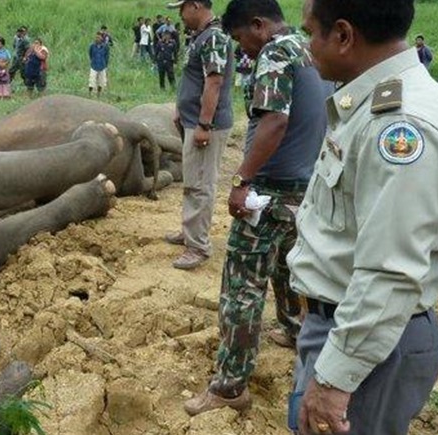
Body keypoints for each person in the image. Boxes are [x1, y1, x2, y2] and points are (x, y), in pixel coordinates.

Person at [289, 1, 438, 434]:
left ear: (344, 35)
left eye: (311, 32)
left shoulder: (401, 125)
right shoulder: (372, 102)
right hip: (349, 332)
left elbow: (389, 271)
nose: (308, 47)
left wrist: (333, 379)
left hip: (370, 345)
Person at [182, 0, 332, 416]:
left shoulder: (274, 53)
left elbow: (274, 121)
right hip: (303, 189)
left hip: (267, 193)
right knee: (290, 269)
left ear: (258, 25)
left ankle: (230, 387)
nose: (241, 49)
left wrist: (241, 179)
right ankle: (293, 329)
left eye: (240, 39)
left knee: (242, 290)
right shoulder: (308, 50)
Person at [163, 0, 234, 271]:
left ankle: (198, 246)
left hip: (207, 125)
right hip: (194, 120)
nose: (180, 16)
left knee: (201, 184)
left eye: (181, 10)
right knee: (193, 179)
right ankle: (190, 232)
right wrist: (183, 111)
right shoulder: (201, 36)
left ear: (194, 5)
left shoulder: (213, 37)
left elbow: (214, 82)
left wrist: (205, 123)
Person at [88, 31, 110, 98]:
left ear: (102, 38)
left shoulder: (105, 47)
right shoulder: (92, 46)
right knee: (92, 80)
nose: (97, 39)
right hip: (94, 65)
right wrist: (92, 61)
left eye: (98, 37)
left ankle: (99, 94)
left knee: (102, 81)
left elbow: (107, 56)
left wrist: (105, 65)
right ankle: (90, 93)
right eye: (96, 37)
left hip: (102, 66)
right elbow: (90, 54)